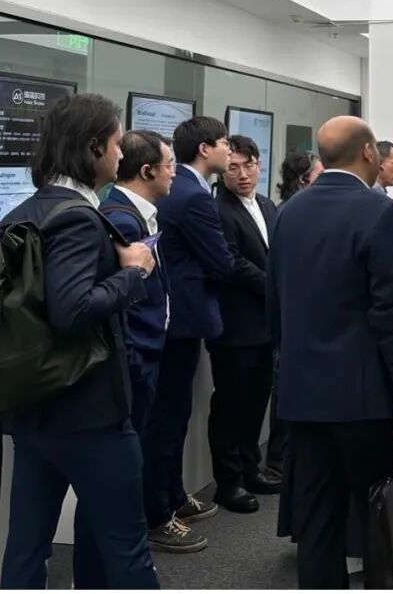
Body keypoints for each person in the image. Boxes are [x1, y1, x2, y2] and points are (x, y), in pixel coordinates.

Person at [0, 94, 159, 588]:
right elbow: (73, 310)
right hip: (89, 412)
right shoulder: (77, 217)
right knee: (127, 551)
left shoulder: (24, 211)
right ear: (93, 148)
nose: (121, 153)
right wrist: (133, 272)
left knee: (27, 549)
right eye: (115, 143)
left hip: (34, 404)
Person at [267, 115, 393, 589]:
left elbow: (275, 306)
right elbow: (391, 317)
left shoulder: (289, 211)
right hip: (363, 398)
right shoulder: (379, 212)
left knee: (317, 521)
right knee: (377, 515)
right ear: (369, 152)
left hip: (301, 394)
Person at [143, 116, 234, 551]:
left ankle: (173, 496)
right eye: (224, 143)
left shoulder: (186, 190)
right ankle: (158, 512)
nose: (230, 151)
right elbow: (222, 262)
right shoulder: (193, 196)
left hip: (176, 318)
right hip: (178, 321)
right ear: (204, 149)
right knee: (167, 417)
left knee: (174, 414)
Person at [206, 134, 283, 513]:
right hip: (235, 325)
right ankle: (229, 482)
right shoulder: (218, 209)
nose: (242, 174)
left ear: (259, 165)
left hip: (265, 324)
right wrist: (276, 286)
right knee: (230, 405)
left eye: (248, 165)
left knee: (256, 403)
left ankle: (252, 469)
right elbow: (232, 263)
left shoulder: (266, 205)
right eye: (233, 167)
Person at [100, 130, 173, 438]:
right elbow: (124, 300)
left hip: (147, 350)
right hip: (137, 356)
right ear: (147, 171)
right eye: (168, 165)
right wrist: (136, 357)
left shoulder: (139, 214)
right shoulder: (123, 221)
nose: (173, 173)